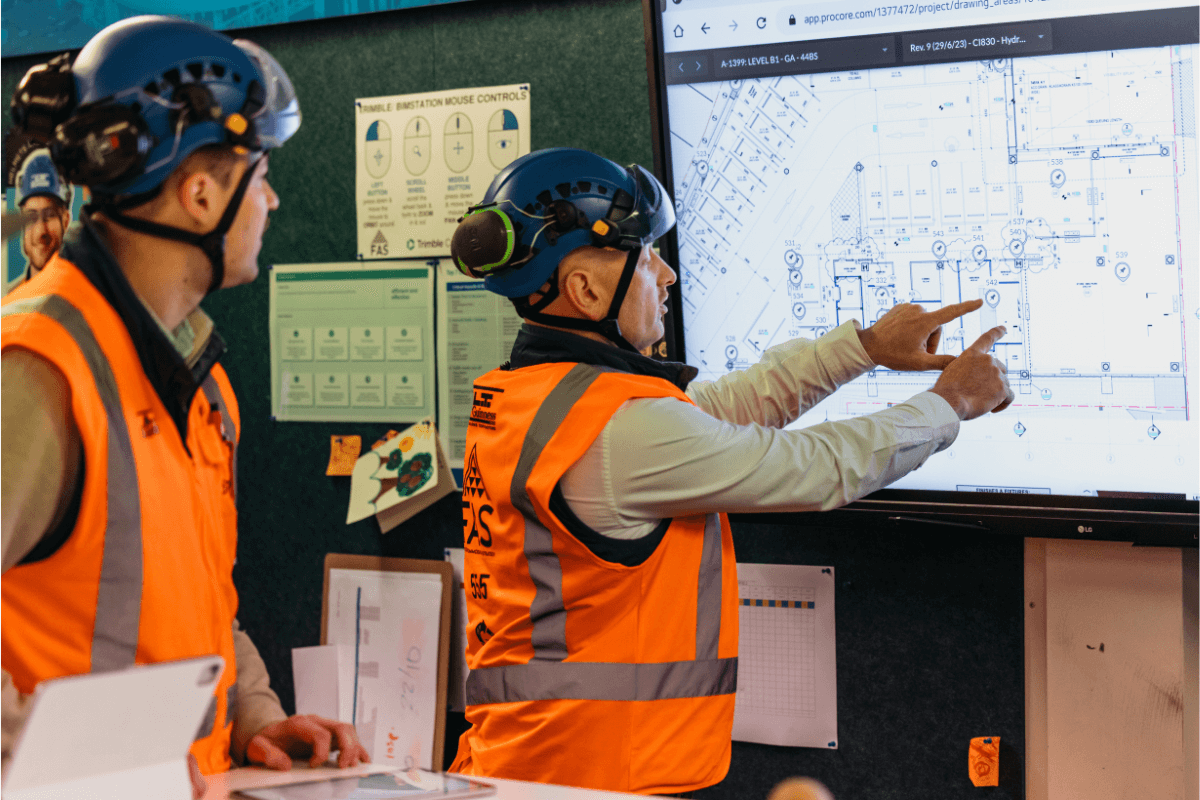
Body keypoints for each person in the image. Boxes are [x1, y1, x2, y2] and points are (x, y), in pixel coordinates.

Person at [446, 147, 1014, 794]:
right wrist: (951, 403)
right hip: (591, 777)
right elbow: (817, 469)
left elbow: (718, 412)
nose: (666, 276)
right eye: (646, 256)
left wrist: (862, 349)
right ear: (585, 290)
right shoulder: (617, 430)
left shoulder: (533, 398)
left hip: (529, 765)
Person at [0, 16, 368, 787]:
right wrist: (60, 766)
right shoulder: (37, 369)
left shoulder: (194, 375)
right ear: (200, 195)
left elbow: (195, 601)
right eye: (258, 176)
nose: (269, 202)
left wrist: (254, 716)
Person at [10, 148, 73, 289]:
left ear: (66, 221)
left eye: (49, 215)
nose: (40, 231)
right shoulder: (6, 305)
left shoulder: (88, 296)